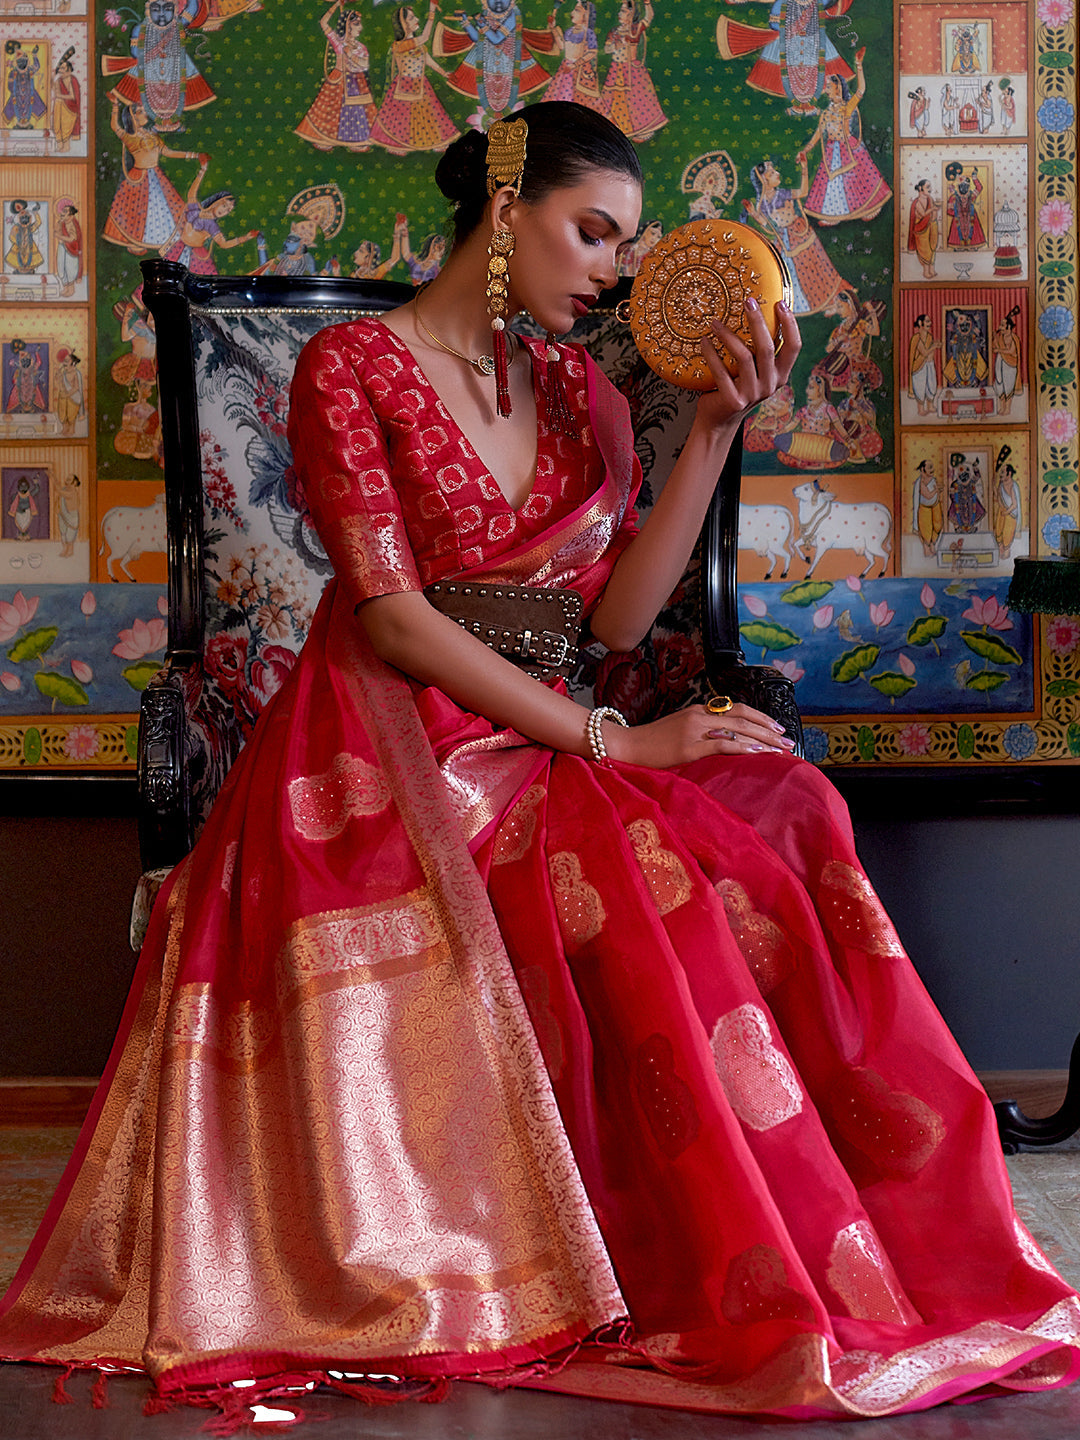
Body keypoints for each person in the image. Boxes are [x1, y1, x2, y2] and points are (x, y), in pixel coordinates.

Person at [2, 101, 1080, 1426]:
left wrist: (715, 429)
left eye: (626, 246)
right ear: (505, 207)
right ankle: (671, 1257)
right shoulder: (354, 365)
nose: (613, 272)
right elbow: (393, 619)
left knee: (785, 798)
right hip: (388, 751)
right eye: (592, 233)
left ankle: (856, 1237)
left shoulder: (580, 393)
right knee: (633, 855)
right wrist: (619, 740)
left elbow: (617, 624)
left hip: (544, 734)